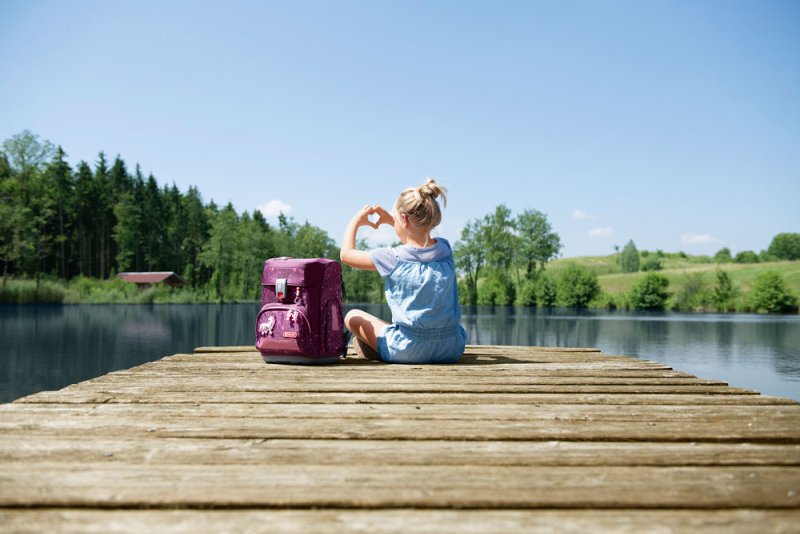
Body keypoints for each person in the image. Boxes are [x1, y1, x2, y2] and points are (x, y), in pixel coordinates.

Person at [340, 178, 467, 364]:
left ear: (404, 219)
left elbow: (347, 255)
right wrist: (393, 220)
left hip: (406, 350)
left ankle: (378, 347)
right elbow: (415, 236)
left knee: (352, 316)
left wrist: (355, 222)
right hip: (451, 347)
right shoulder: (445, 251)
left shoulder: (392, 257)